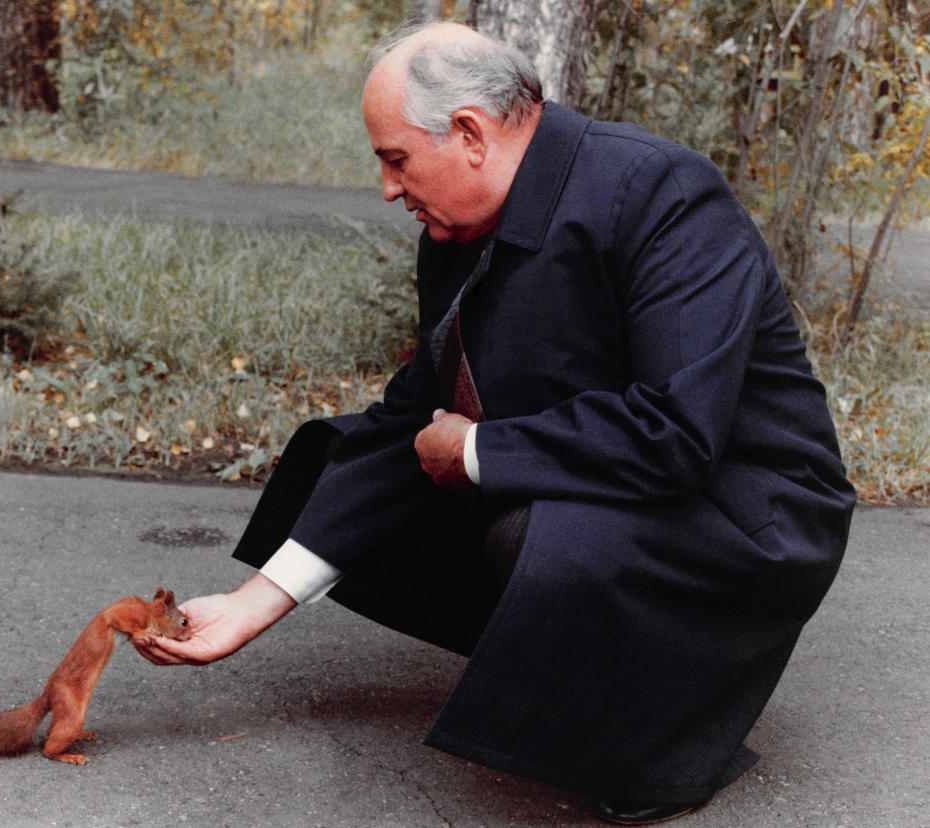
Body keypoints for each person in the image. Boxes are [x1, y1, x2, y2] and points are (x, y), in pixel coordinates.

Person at [135, 21, 855, 825]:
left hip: (751, 511)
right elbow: (412, 413)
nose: (385, 187)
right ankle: (563, 659)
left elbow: (675, 432)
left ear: (471, 134)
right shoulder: (455, 229)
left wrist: (478, 449)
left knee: (525, 527)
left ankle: (665, 746)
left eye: (395, 158)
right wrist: (256, 599)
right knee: (342, 458)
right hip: (637, 478)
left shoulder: (661, 192)